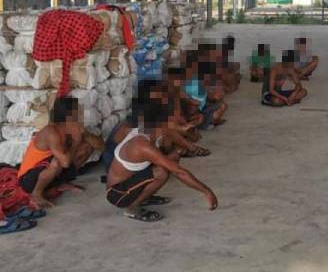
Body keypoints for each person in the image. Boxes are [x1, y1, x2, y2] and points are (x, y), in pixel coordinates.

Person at [106, 79, 218, 222]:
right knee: (162, 172)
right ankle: (132, 207)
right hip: (117, 193)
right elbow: (179, 172)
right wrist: (206, 191)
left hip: (131, 181)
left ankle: (144, 196)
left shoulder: (150, 129)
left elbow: (181, 134)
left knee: (172, 157)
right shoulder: (142, 144)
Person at [18, 97, 103, 209]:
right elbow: (65, 163)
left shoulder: (72, 128)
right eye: (78, 112)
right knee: (57, 162)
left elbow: (100, 145)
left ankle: (59, 183)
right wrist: (77, 140)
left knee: (86, 148)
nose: (81, 114)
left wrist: (85, 134)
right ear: (69, 116)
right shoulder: (51, 131)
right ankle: (36, 194)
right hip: (28, 180)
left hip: (49, 172)